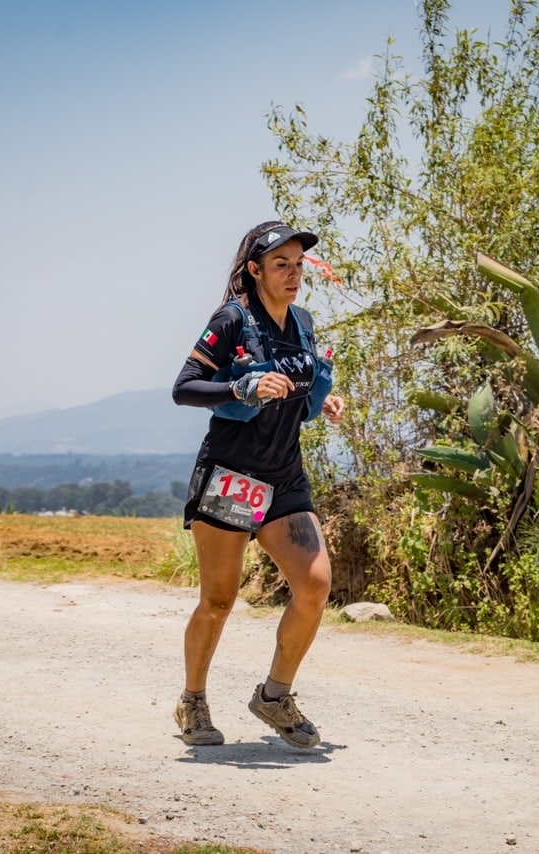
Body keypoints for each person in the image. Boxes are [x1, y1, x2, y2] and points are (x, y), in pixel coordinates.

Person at [170, 220, 345, 749]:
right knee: (219, 601)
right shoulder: (232, 319)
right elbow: (184, 389)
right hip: (231, 477)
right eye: (280, 265)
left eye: (298, 265)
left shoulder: (304, 324)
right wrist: (240, 385)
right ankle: (193, 701)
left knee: (314, 585)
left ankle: (274, 696)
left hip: (284, 476)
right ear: (255, 270)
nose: (293, 275)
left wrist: (326, 398)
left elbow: (300, 391)